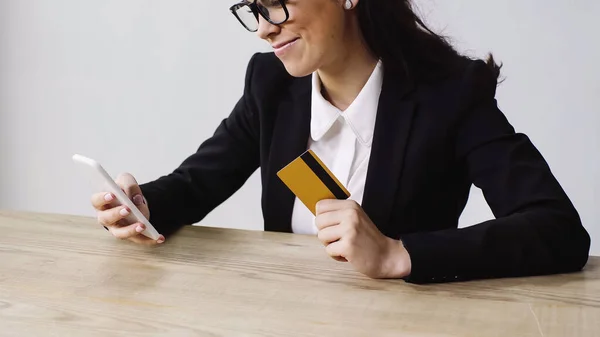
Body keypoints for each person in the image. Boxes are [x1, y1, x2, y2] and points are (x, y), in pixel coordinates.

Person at [90, 0, 591, 284]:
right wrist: (142, 204)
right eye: (254, 7)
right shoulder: (272, 85)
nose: (265, 28)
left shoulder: (451, 95)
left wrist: (400, 254)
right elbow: (197, 183)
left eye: (277, 3)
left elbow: (559, 231)